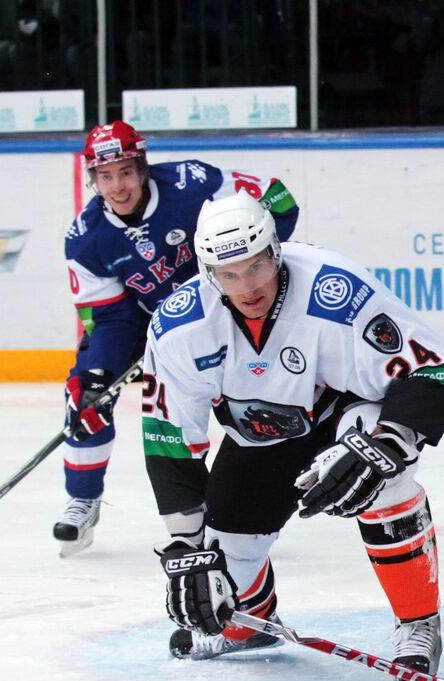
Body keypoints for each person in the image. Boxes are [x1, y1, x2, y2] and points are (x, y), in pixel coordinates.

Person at [144, 193, 444, 681]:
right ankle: (251, 622)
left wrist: (384, 444)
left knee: (384, 479)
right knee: (223, 571)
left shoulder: (336, 291)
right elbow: (170, 439)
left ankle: (419, 625)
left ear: (276, 250)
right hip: (260, 432)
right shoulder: (179, 327)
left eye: (256, 266)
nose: (247, 286)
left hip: (350, 413)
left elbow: (439, 375)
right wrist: (187, 550)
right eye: (229, 275)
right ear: (208, 273)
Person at [57, 121, 299, 555]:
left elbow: (278, 199)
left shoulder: (192, 182)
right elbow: (111, 318)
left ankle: (246, 501)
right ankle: (83, 497)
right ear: (93, 178)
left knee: (252, 398)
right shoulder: (85, 239)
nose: (118, 186)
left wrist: (251, 273)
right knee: (85, 394)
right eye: (106, 176)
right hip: (150, 322)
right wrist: (101, 371)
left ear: (143, 168)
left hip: (230, 305)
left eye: (126, 171)